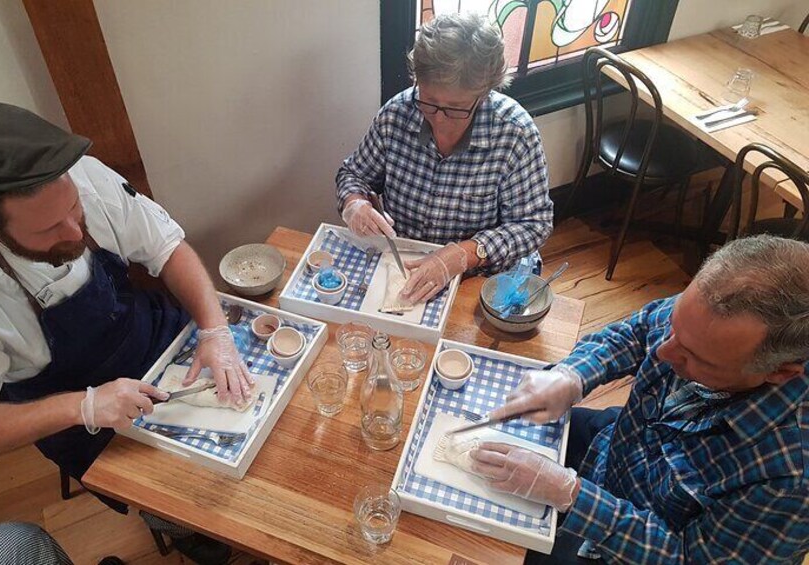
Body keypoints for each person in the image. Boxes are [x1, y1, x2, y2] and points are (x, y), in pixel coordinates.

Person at [0, 103, 251, 564]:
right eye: (50, 228)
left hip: (154, 339)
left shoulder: (85, 175)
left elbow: (167, 247)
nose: (75, 229)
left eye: (74, 208)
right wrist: (85, 405)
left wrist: (214, 330)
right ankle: (180, 526)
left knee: (248, 423)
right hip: (75, 412)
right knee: (180, 492)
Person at [471, 234, 809, 563]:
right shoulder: (710, 314)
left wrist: (571, 496)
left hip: (632, 546)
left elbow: (689, 557)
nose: (663, 351)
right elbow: (640, 331)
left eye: (696, 359)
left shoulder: (790, 479)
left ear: (779, 373)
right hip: (615, 449)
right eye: (675, 326)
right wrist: (571, 375)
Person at [336, 12, 553, 305]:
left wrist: (463, 254)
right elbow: (354, 174)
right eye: (429, 101)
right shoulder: (397, 114)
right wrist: (355, 204)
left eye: (456, 108)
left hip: (476, 278)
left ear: (485, 92)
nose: (439, 118)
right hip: (404, 265)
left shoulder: (515, 133)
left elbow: (533, 224)